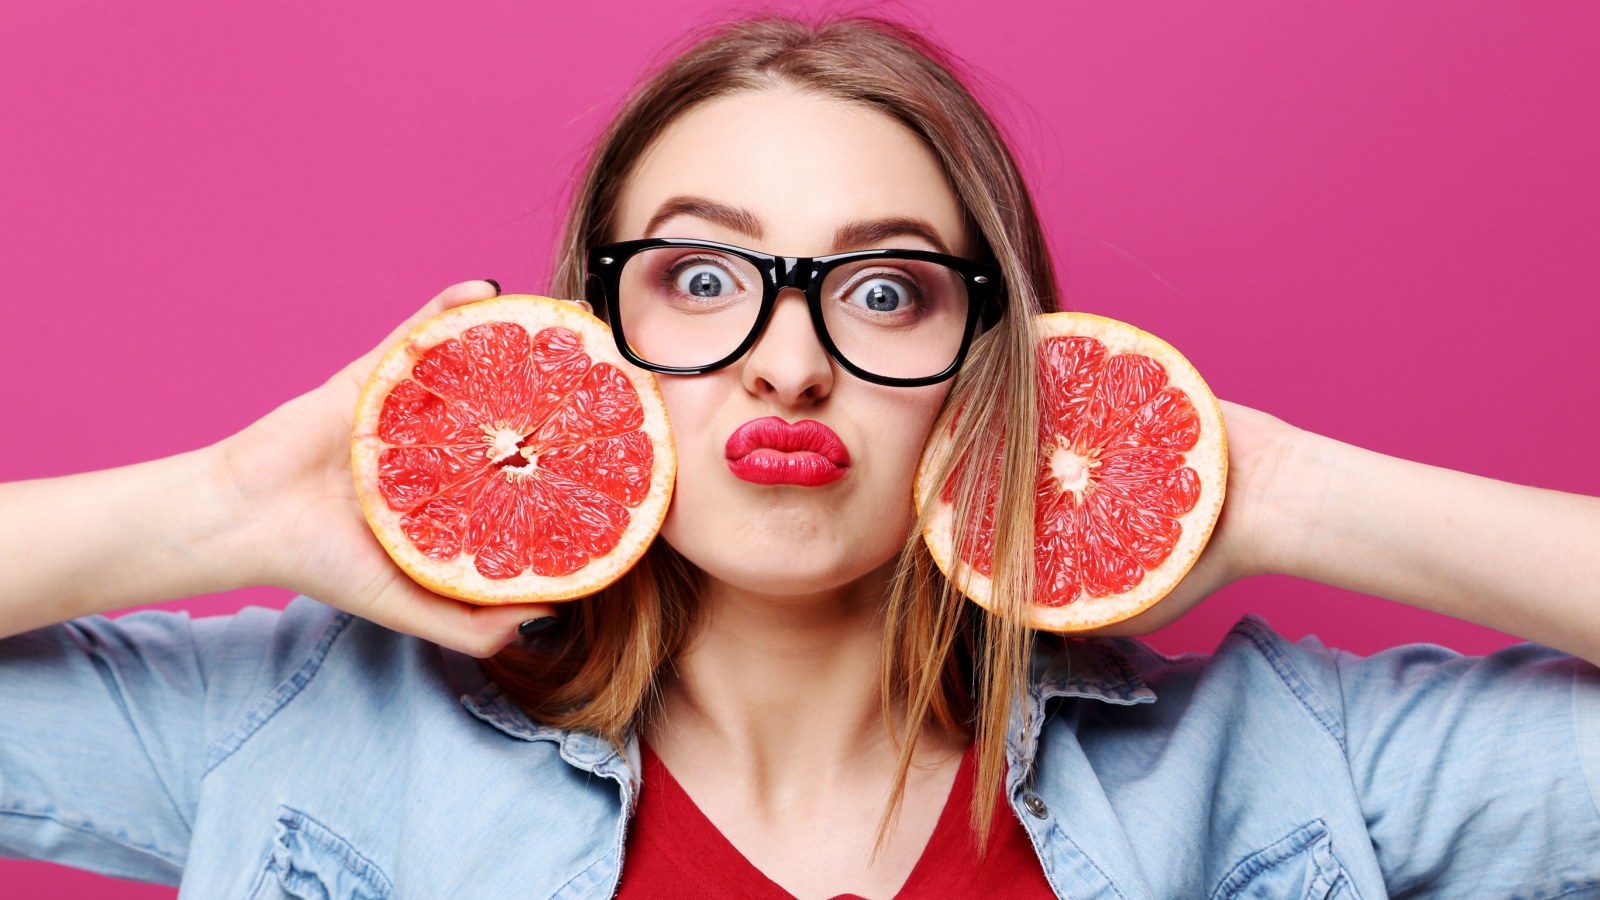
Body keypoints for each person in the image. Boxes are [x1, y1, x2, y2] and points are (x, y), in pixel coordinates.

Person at [2, 13, 1598, 900]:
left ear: (999, 357)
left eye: (887, 288)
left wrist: (1275, 486)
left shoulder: (1271, 765)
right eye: (699, 278)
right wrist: (219, 509)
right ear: (586, 340)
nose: (788, 356)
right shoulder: (306, 742)